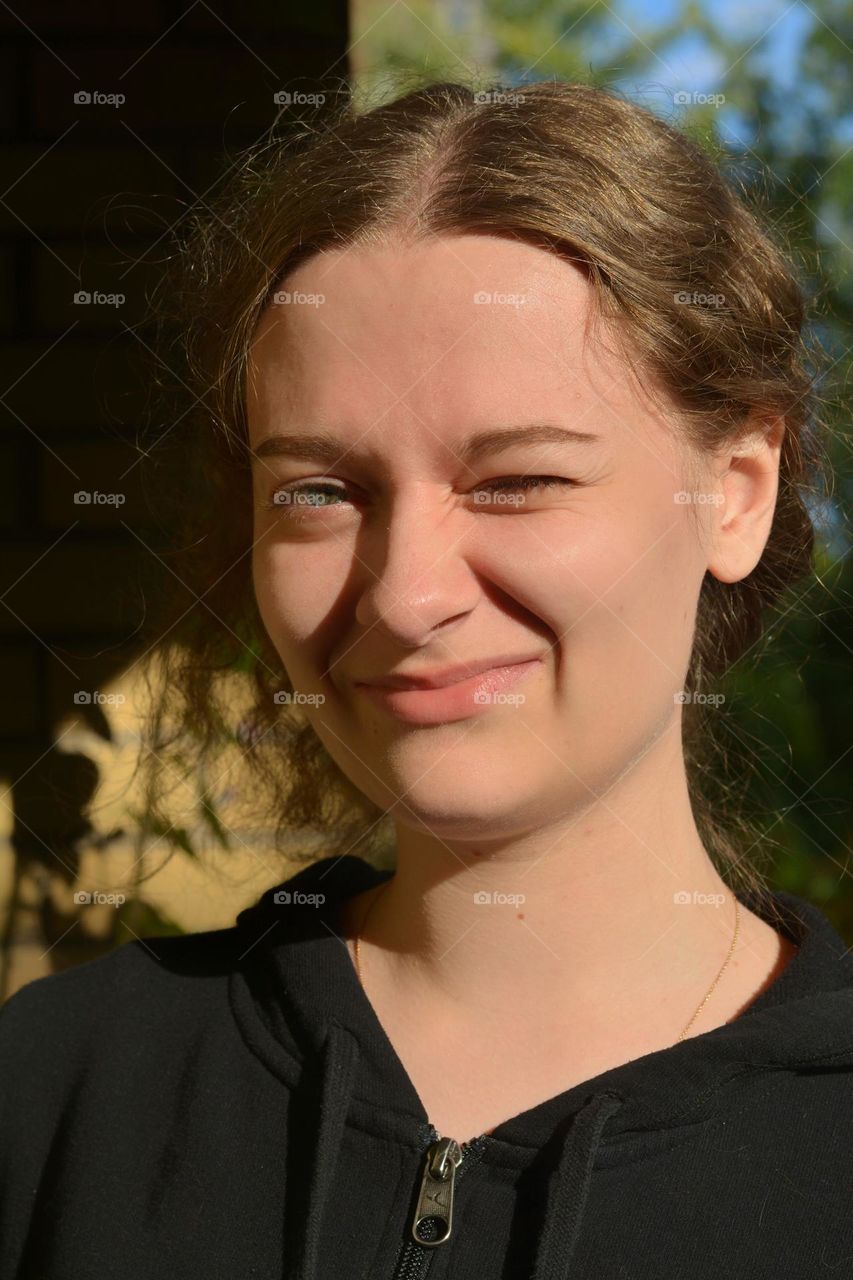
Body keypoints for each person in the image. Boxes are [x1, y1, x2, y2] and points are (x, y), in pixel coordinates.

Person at [2, 79, 851, 1280]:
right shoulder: (56, 1092)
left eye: (517, 480)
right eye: (317, 490)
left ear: (738, 491)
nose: (404, 593)